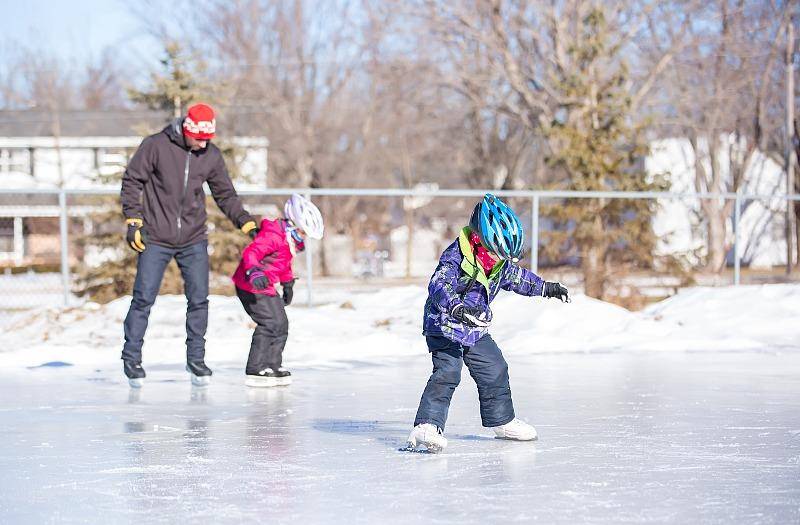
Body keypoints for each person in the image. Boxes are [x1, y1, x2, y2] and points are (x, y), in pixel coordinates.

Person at [406, 194, 570, 453]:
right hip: (444, 325)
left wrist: (545, 288)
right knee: (448, 373)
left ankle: (502, 421)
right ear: (478, 240)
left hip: (474, 326)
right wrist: (455, 307)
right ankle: (426, 426)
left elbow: (518, 278)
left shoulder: (499, 264)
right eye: (495, 253)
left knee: (495, 368)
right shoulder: (455, 257)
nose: (498, 260)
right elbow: (439, 285)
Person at [120, 103, 259, 387]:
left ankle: (196, 359)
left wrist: (245, 222)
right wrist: (133, 220)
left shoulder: (210, 155)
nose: (202, 144)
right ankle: (131, 358)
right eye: (198, 138)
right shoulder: (156, 146)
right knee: (143, 298)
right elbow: (132, 180)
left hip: (193, 238)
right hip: (156, 237)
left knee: (199, 299)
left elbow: (225, 194)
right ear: (186, 129)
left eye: (207, 139)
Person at [232, 194, 324, 387]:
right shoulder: (273, 236)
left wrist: (288, 283)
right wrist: (254, 271)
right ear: (293, 225)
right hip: (250, 284)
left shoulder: (287, 241)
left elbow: (282, 264)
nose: (304, 237)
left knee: (281, 324)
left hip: (266, 286)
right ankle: (256, 368)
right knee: (269, 323)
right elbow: (251, 253)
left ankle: (273, 365)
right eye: (303, 232)